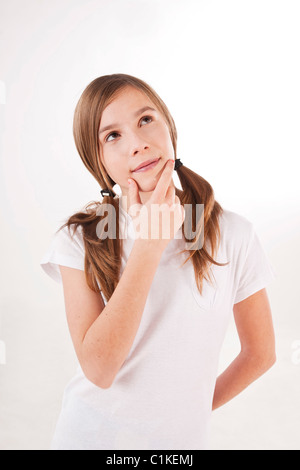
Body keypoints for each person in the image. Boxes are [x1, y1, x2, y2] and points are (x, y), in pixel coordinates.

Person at [40, 73, 276, 450]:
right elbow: (99, 371)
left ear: (170, 128)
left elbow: (260, 353)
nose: (138, 144)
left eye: (146, 120)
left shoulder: (233, 233)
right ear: (96, 159)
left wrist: (184, 414)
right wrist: (149, 245)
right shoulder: (81, 239)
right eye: (112, 136)